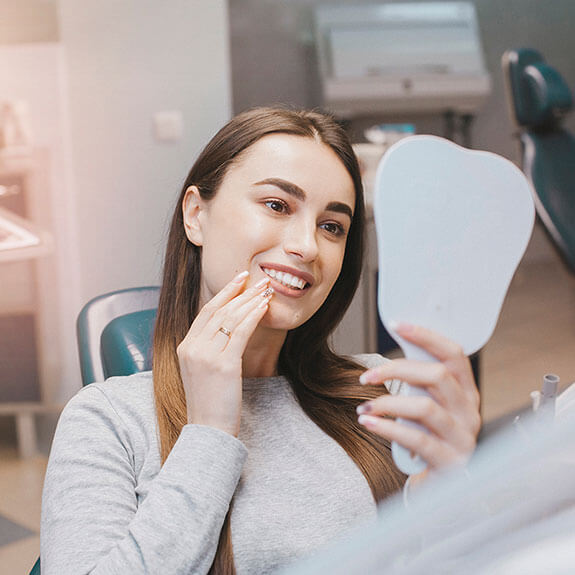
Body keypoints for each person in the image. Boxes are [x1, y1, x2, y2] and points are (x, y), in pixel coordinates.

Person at [41, 107, 480, 574]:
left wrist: (453, 495)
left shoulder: (381, 393)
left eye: (332, 226)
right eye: (277, 205)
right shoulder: (108, 421)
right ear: (196, 215)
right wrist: (208, 433)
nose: (308, 246)